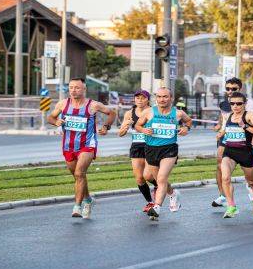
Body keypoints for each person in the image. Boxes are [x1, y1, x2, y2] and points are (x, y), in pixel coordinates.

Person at [48, 78, 117, 219]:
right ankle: (88, 199)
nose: (74, 90)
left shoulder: (93, 105)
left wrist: (105, 126)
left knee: (80, 173)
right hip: (68, 145)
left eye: (77, 88)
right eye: (71, 87)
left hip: (87, 145)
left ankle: (77, 207)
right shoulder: (63, 104)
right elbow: (50, 117)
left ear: (84, 89)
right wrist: (56, 122)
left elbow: (112, 113)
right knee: (78, 176)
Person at [134, 87, 193, 221]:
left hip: (169, 149)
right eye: (159, 97)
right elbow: (137, 125)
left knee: (161, 178)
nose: (162, 99)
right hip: (151, 148)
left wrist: (185, 128)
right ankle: (173, 193)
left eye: (165, 96)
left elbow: (188, 121)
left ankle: (157, 207)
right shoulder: (149, 112)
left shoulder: (178, 113)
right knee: (153, 178)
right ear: (156, 98)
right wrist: (143, 130)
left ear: (171, 98)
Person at [216, 92, 253, 218]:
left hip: (246, 153)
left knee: (252, 181)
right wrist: (220, 133)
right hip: (229, 152)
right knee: (225, 178)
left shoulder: (249, 115)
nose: (235, 106)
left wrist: (245, 126)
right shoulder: (228, 116)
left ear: (244, 104)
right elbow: (224, 130)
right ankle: (232, 206)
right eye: (232, 103)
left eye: (239, 103)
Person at [212, 77, 253, 208]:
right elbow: (224, 119)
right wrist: (219, 127)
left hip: (243, 139)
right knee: (219, 164)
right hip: (226, 137)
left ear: (240, 89)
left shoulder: (247, 103)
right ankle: (223, 195)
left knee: (249, 174)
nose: (230, 91)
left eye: (234, 89)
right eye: (227, 88)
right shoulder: (224, 103)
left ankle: (251, 187)